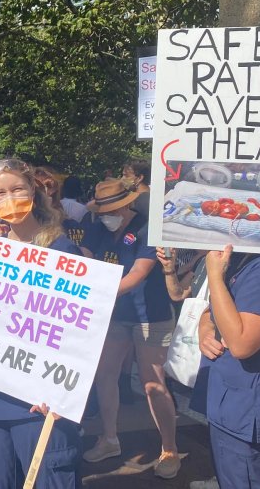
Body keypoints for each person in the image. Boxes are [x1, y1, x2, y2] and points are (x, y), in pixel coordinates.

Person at [0, 159, 82, 488]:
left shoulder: (63, 250)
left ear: (34, 191)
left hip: (39, 403)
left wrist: (64, 391)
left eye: (17, 190)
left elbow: (81, 331)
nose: (9, 199)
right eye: (0, 193)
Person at [82, 179, 180, 478]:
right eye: (102, 210)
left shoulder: (147, 229)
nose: (106, 215)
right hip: (114, 315)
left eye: (111, 209)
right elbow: (85, 258)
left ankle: (169, 448)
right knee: (105, 374)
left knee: (153, 383)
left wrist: (97, 293)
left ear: (127, 204)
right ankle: (109, 438)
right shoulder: (98, 226)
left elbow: (138, 274)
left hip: (150, 314)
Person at [195, 247, 260, 488]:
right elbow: (213, 310)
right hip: (232, 401)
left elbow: (242, 343)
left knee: (246, 475)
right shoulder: (249, 259)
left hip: (246, 406)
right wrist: (206, 329)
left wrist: (214, 275)